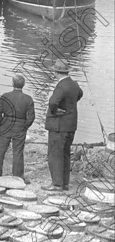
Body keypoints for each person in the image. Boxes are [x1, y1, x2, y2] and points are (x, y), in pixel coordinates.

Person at [46, 59, 83, 191]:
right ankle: (65, 183)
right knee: (65, 154)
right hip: (71, 125)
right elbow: (80, 94)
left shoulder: (61, 86)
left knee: (55, 154)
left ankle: (56, 184)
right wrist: (69, 104)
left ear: (57, 72)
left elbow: (52, 102)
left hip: (59, 126)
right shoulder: (74, 84)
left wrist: (55, 111)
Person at [0, 74, 35, 180]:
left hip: (6, 124)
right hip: (20, 126)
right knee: (18, 151)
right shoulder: (28, 99)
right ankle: (17, 177)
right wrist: (25, 126)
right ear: (23, 85)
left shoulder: (5, 96)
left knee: (0, 150)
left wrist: (2, 123)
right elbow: (31, 117)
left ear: (12, 84)